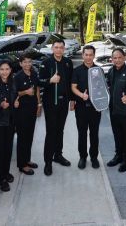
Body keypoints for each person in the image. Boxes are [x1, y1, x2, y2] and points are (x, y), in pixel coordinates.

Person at [38, 38, 74, 175]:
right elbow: (39, 82)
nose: (59, 50)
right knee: (51, 132)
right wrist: (50, 80)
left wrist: (72, 100)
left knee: (60, 130)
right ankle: (48, 162)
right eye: (56, 47)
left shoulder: (68, 62)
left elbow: (71, 82)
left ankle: (58, 155)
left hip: (64, 102)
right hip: (50, 103)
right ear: (52, 48)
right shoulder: (46, 63)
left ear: (64, 49)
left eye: (61, 47)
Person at [106, 48, 126, 172]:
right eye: (115, 58)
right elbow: (108, 86)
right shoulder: (110, 71)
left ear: (124, 58)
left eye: (120, 57)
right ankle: (118, 156)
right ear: (112, 59)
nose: (117, 60)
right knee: (117, 134)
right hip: (113, 110)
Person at [71, 45, 102, 169]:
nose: (88, 57)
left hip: (95, 108)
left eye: (91, 55)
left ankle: (94, 157)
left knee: (94, 134)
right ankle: (82, 157)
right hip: (81, 107)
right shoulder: (77, 70)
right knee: (82, 133)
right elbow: (73, 87)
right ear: (83, 55)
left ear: (94, 55)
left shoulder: (99, 70)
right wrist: (81, 95)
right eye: (86, 55)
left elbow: (102, 88)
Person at [0, 60, 18, 191]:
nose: (4, 72)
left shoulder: (13, 83)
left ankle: (6, 172)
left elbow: (14, 99)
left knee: (8, 150)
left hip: (10, 122)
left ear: (11, 70)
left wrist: (15, 104)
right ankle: (0, 179)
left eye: (7, 69)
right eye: (2, 69)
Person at [13, 52, 42, 175]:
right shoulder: (17, 77)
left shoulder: (34, 73)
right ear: (20, 63)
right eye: (25, 62)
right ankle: (22, 165)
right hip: (21, 111)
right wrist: (25, 92)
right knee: (22, 138)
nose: (27, 64)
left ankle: (27, 160)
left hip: (32, 108)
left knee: (30, 136)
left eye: (29, 61)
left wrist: (39, 104)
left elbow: (37, 89)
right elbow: (14, 93)